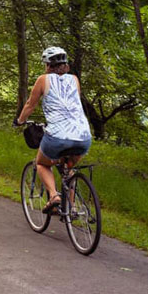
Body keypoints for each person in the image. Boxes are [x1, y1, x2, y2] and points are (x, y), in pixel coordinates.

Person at [14, 46, 92, 213]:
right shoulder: (75, 80)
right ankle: (71, 208)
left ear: (48, 65)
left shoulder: (44, 79)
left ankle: (53, 196)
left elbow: (30, 105)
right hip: (83, 136)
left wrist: (20, 121)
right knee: (68, 168)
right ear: (65, 64)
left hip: (58, 136)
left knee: (41, 163)